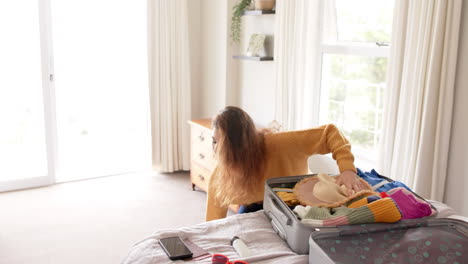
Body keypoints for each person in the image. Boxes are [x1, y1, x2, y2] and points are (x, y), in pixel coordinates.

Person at [206, 106, 367, 221]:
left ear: (243, 144)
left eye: (221, 145)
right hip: (257, 207)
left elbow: (329, 133)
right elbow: (213, 222)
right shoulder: (221, 175)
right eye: (213, 141)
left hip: (299, 199)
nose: (215, 150)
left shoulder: (281, 144)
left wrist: (348, 170)